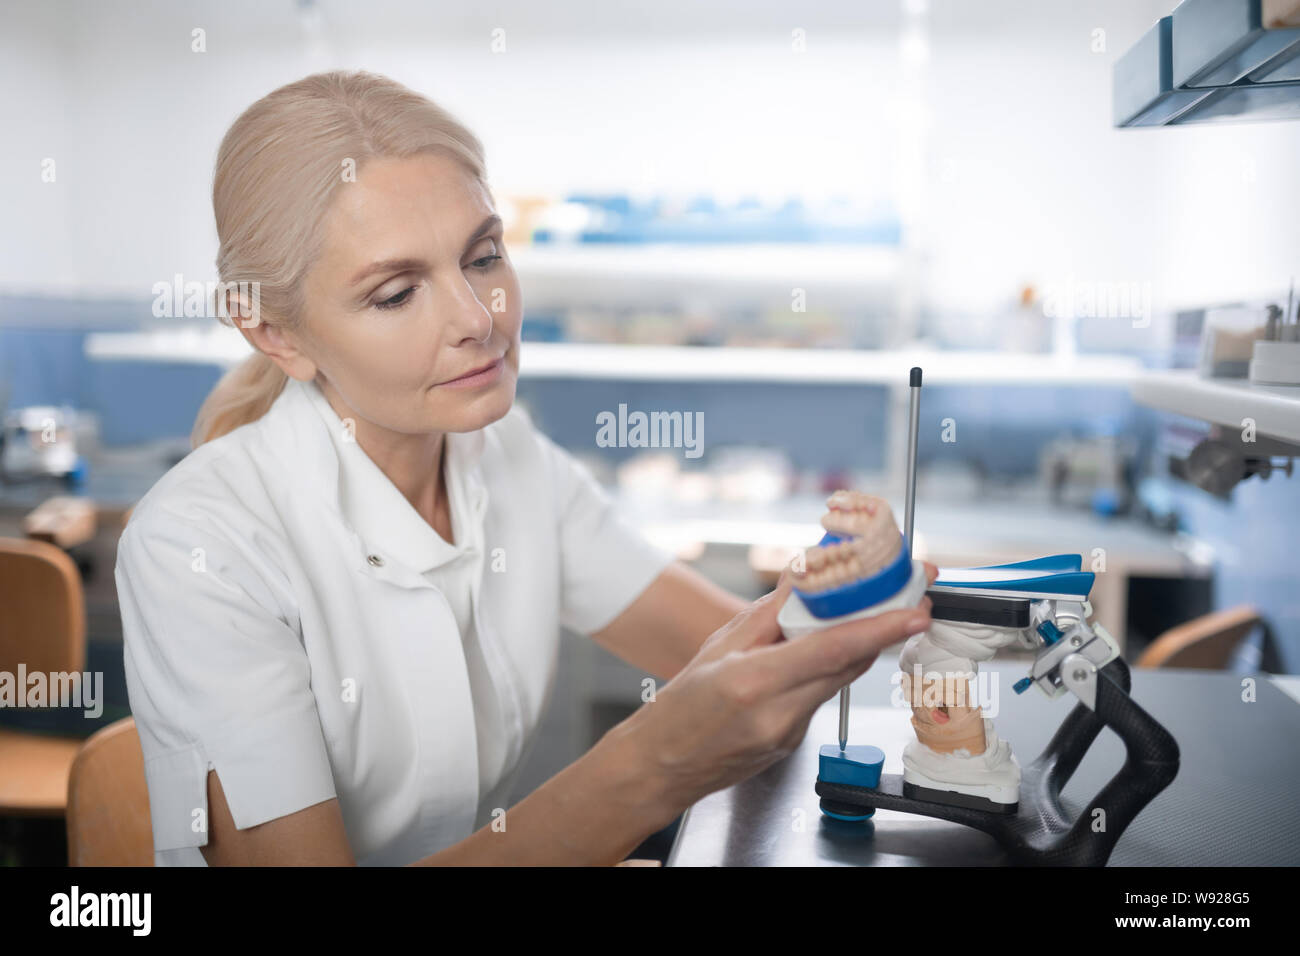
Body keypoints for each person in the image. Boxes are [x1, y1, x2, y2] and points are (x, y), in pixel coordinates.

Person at [115, 70, 935, 866]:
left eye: (482, 257)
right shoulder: (200, 548)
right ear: (274, 333)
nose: (480, 319)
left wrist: (857, 593)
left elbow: (727, 647)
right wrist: (648, 767)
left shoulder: (509, 457)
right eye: (397, 293)